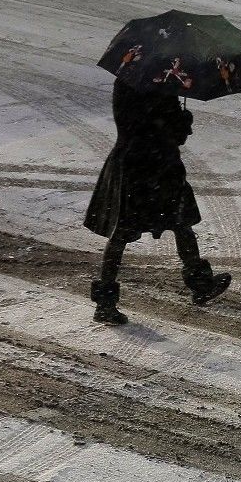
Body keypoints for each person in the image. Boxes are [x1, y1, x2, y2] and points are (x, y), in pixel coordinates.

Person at [84, 78, 230, 325]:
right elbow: (170, 133)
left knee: (130, 232)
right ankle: (199, 284)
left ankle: (105, 301)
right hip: (154, 168)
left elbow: (139, 126)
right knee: (177, 224)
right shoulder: (163, 84)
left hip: (136, 165)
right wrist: (183, 121)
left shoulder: (127, 82)